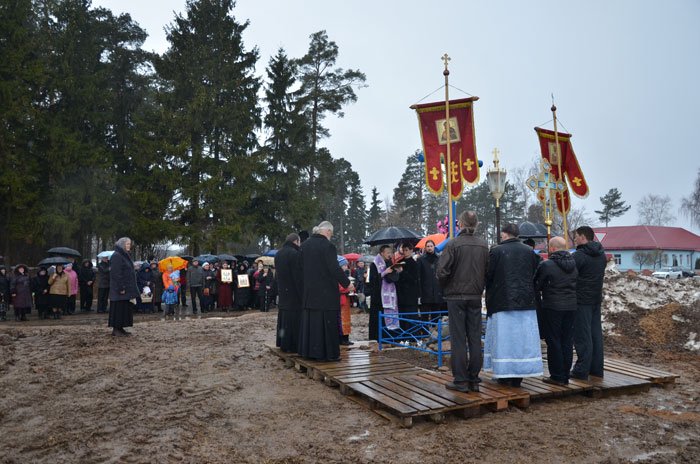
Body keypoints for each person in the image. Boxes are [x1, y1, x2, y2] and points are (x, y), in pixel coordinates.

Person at [484, 223, 543, 387]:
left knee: (504, 340)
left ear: (504, 234)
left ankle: (504, 374)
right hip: (525, 302)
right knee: (522, 341)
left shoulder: (497, 251)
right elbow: (537, 272)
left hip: (501, 301)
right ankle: (519, 375)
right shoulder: (529, 251)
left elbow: (488, 275)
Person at [436, 211, 489, 393]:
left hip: (456, 296)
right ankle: (474, 378)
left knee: (458, 338)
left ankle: (460, 380)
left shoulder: (453, 244)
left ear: (460, 224)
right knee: (475, 337)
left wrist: (447, 286)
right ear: (476, 224)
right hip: (475, 295)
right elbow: (488, 270)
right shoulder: (483, 245)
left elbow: (441, 271)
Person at [298, 221, 353, 362]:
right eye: (331, 233)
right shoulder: (328, 246)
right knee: (327, 325)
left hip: (309, 293)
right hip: (326, 294)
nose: (331, 236)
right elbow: (334, 268)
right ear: (328, 231)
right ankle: (328, 354)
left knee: (311, 325)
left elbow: (300, 268)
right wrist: (347, 283)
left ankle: (309, 352)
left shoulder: (304, 246)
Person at [534, 236, 578, 386]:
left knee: (554, 341)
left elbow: (537, 284)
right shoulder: (574, 264)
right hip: (571, 306)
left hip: (552, 306)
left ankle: (557, 375)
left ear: (552, 248)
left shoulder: (547, 265)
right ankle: (565, 374)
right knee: (567, 341)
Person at [570, 226, 607, 380]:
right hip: (595, 299)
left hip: (581, 300)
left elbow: (569, 274)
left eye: (576, 236)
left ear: (583, 237)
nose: (575, 240)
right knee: (595, 335)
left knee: (582, 336)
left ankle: (581, 370)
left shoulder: (579, 255)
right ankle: (596, 369)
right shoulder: (601, 255)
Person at [275, 233, 303, 352]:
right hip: (293, 292)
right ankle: (292, 345)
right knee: (292, 320)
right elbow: (297, 276)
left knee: (283, 319)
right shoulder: (294, 254)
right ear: (296, 242)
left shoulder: (279, 253)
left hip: (283, 290)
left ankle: (282, 342)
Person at [368, 245, 400, 341]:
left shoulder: (390, 263)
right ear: (382, 253)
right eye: (388, 252)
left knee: (390, 314)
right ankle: (377, 336)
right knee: (379, 317)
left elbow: (393, 278)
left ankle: (389, 336)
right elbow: (372, 280)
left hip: (390, 295)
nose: (390, 254)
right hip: (379, 296)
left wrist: (397, 271)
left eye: (390, 252)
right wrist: (384, 273)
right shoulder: (374, 264)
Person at [108, 237, 139, 337]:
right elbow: (116, 274)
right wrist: (121, 287)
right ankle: (116, 329)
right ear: (122, 245)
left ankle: (120, 328)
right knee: (118, 309)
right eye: (127, 244)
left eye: (129, 244)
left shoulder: (124, 255)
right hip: (119, 289)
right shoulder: (117, 256)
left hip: (126, 288)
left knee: (123, 309)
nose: (129, 246)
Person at [417, 239, 444, 322]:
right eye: (428, 246)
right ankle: (425, 330)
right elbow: (418, 276)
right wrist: (419, 292)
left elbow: (442, 274)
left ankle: (435, 329)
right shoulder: (421, 260)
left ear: (434, 247)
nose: (429, 248)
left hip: (437, 291)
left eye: (431, 246)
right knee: (424, 315)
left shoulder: (439, 259)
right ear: (425, 248)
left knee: (436, 315)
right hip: (425, 291)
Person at [396, 242, 419, 332]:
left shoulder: (414, 264)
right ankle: (403, 333)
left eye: (407, 250)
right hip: (401, 293)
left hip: (411, 294)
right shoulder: (399, 262)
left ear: (411, 251)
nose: (405, 252)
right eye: (403, 250)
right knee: (402, 314)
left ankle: (412, 333)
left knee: (411, 315)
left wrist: (403, 272)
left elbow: (414, 279)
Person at [337, 256, 352, 345]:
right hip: (341, 300)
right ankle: (342, 338)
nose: (346, 267)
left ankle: (346, 337)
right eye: (344, 265)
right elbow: (338, 287)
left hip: (346, 300)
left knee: (346, 321)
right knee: (341, 321)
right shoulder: (338, 276)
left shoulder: (345, 275)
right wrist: (347, 288)